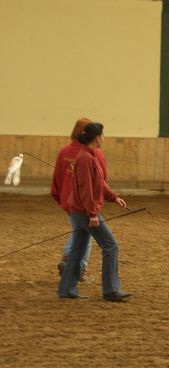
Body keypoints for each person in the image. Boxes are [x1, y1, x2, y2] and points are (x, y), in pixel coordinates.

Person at [58, 122, 131, 301]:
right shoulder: (85, 158)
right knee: (110, 245)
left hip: (79, 210)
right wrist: (92, 213)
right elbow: (86, 189)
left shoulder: (88, 156)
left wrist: (113, 197)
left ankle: (66, 289)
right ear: (97, 137)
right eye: (103, 135)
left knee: (78, 249)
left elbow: (98, 183)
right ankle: (111, 290)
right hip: (84, 211)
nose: (104, 139)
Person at [51, 118, 108, 282]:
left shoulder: (64, 152)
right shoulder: (94, 154)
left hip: (68, 201)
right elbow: (102, 178)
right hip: (85, 202)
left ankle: (71, 265)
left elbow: (57, 178)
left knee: (81, 232)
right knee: (88, 235)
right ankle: (76, 266)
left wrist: (59, 197)